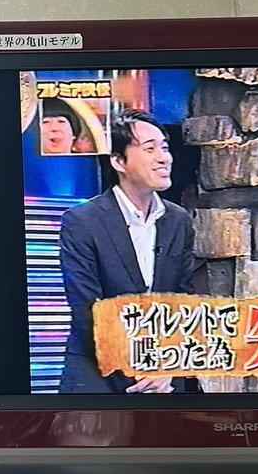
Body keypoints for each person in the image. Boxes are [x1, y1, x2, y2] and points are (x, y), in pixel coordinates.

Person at [58, 109, 203, 393]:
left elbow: (182, 303)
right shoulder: (82, 222)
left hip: (164, 374)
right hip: (99, 375)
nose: (164, 158)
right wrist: (139, 368)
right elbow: (89, 311)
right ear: (118, 161)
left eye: (165, 147)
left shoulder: (178, 220)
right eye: (150, 149)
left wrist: (168, 366)